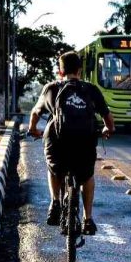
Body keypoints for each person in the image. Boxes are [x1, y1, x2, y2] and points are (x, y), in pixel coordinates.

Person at [28, 51, 114, 236]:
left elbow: (35, 113)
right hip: (84, 142)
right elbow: (107, 116)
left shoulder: (51, 88)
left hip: (57, 142)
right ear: (79, 70)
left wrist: (33, 129)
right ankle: (88, 220)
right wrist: (108, 129)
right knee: (87, 175)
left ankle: (55, 202)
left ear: (61, 71)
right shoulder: (91, 89)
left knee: (53, 168)